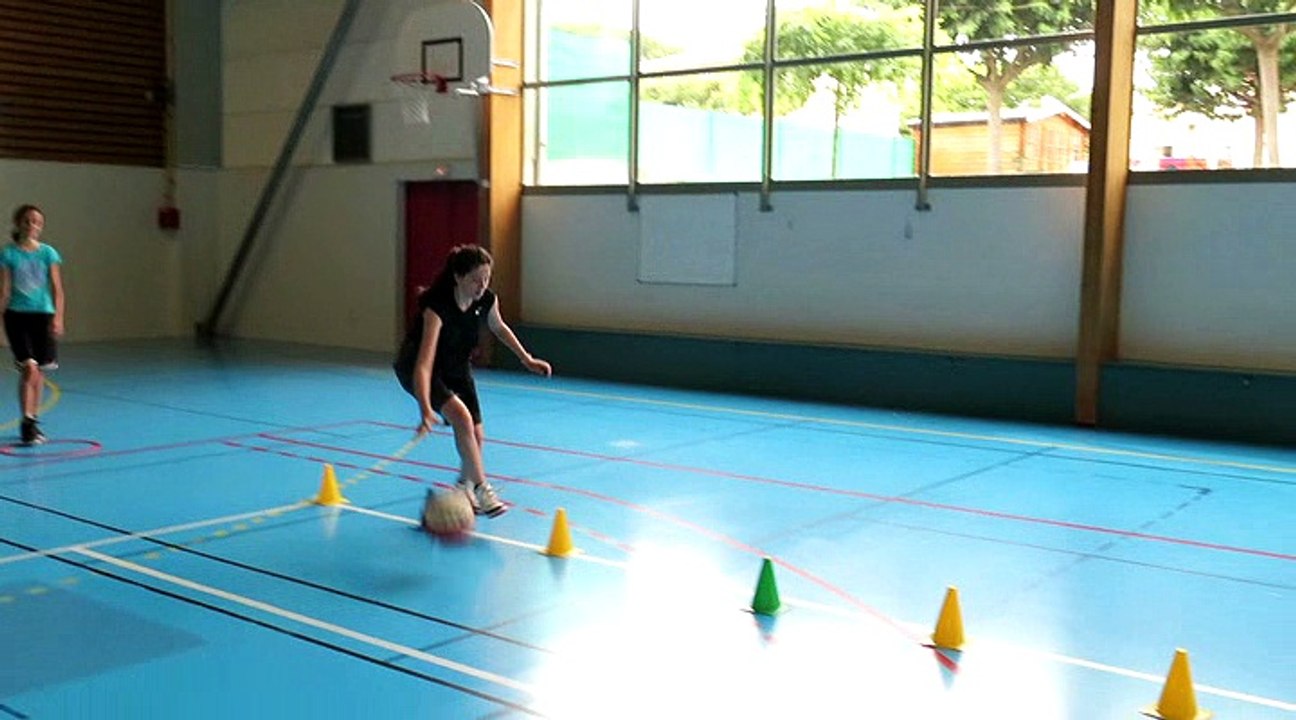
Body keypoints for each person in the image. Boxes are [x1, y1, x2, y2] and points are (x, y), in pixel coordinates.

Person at [394, 244, 551, 519]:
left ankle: (463, 487)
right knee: (462, 419)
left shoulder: (485, 301)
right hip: (419, 370)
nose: (482, 286)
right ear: (458, 277)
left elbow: (499, 328)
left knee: (477, 435)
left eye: (486, 279)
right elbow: (423, 365)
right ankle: (482, 488)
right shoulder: (437, 308)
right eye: (475, 280)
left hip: (457, 367)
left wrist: (526, 358)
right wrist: (425, 409)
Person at [0, 204, 65, 446]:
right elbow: (4, 291)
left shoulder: (48, 253)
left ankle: (33, 419)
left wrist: (58, 317)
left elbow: (57, 290)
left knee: (39, 372)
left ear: (41, 226)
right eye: (27, 221)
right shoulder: (8, 254)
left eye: (36, 221)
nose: (31, 225)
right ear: (19, 224)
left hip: (43, 316)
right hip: (17, 317)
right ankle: (26, 422)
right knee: (29, 368)